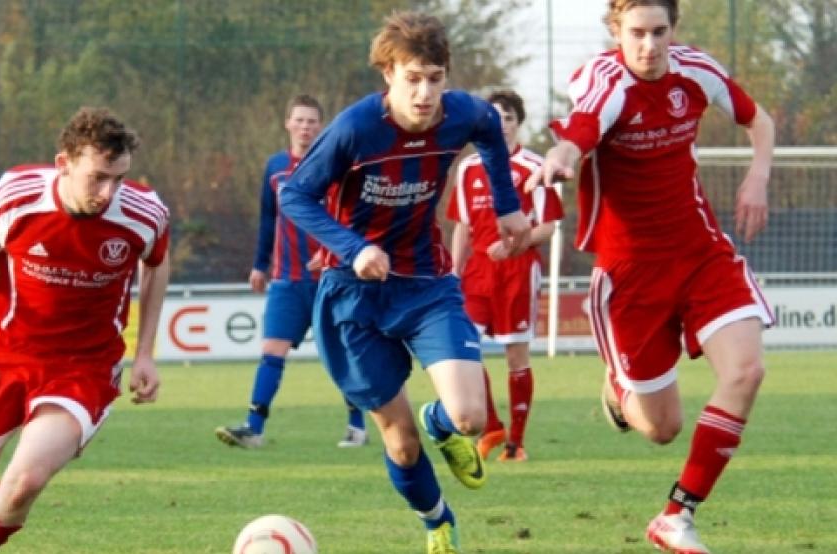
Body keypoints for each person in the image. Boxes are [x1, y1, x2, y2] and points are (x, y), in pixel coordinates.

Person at [280, 11, 532, 554]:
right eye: (412, 78)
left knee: (469, 416)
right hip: (352, 296)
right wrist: (354, 247)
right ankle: (436, 518)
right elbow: (293, 195)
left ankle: (441, 424)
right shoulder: (354, 129)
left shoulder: (461, 113)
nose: (425, 93)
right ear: (388, 76)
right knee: (398, 440)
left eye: (435, 78)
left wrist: (508, 206)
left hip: (425, 282)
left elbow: (490, 129)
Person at [530, 1, 774, 552]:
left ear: (674, 30)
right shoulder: (604, 80)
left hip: (700, 252)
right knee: (662, 429)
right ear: (616, 32)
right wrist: (564, 155)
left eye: (658, 31)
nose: (648, 45)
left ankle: (676, 516)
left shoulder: (697, 71)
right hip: (630, 274)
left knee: (747, 370)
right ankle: (620, 395)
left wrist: (757, 176)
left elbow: (759, 118)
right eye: (635, 33)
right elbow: (583, 125)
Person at [0, 107, 170, 553]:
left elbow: (156, 265)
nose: (108, 192)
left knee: (23, 482)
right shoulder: (16, 196)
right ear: (64, 163)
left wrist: (145, 352)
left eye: (118, 178)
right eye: (97, 177)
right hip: (5, 354)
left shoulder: (144, 213)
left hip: (84, 369)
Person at [215, 94, 368, 450]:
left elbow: (349, 218)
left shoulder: (335, 167)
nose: (305, 126)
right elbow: (269, 218)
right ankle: (254, 428)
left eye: (312, 121)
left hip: (331, 277)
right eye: (299, 120)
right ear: (287, 124)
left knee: (343, 353)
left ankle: (357, 427)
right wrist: (259, 263)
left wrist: (334, 252)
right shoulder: (275, 168)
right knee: (272, 349)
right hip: (286, 278)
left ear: (321, 126)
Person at [445, 90, 564, 463]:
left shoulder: (532, 167)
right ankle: (493, 427)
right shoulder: (468, 168)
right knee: (464, 350)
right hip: (477, 272)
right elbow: (463, 226)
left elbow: (548, 227)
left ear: (518, 122)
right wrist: (453, 270)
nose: (502, 125)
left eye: (508, 117)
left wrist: (515, 244)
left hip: (517, 271)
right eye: (494, 117)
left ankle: (516, 443)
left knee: (516, 355)